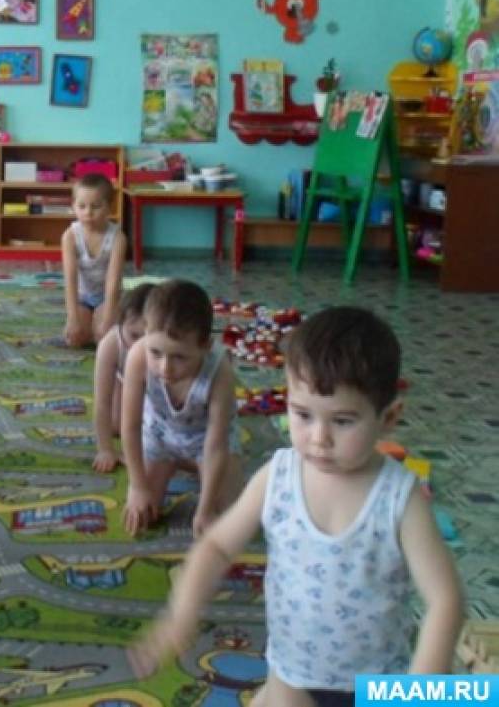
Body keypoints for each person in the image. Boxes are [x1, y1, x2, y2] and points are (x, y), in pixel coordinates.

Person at [130, 306, 464, 707]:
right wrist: (180, 613)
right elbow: (216, 546)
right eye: (303, 414)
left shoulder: (399, 499)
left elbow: (445, 600)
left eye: (343, 421)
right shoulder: (278, 477)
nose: (319, 438)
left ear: (388, 417)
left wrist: (421, 691)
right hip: (292, 676)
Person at [120, 279, 241, 538]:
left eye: (179, 357)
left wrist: (205, 509)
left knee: (225, 517)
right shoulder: (138, 357)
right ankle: (173, 465)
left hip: (205, 442)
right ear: (145, 334)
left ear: (206, 346)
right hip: (160, 436)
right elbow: (129, 427)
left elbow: (216, 445)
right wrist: (137, 486)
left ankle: (196, 469)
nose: (165, 368)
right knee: (145, 514)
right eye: (156, 353)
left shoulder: (220, 373)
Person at [91, 282, 156, 473]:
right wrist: (105, 449)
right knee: (117, 425)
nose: (140, 346)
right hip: (125, 380)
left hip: (156, 385)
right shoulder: (111, 344)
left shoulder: (164, 350)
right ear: (120, 325)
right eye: (134, 335)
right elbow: (102, 402)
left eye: (149, 337)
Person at [61, 173, 127, 349]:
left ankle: (101, 321)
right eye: (81, 206)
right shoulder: (70, 236)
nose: (88, 213)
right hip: (82, 297)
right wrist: (73, 318)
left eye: (96, 206)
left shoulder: (118, 238)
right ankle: (87, 321)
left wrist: (109, 317)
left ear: (109, 206)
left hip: (107, 297)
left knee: (104, 338)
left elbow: (113, 280)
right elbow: (70, 279)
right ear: (73, 206)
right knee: (75, 340)